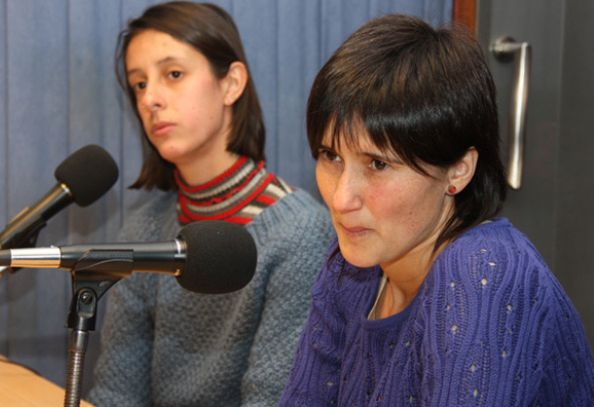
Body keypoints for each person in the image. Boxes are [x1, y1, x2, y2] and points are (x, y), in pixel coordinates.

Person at [279, 14, 594, 406]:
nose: (342, 199)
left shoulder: (483, 272)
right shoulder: (349, 268)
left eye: (378, 164)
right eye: (330, 156)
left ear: (458, 170)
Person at [87, 2, 334, 406]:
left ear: (231, 83)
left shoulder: (299, 233)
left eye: (173, 74)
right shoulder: (144, 230)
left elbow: (271, 399)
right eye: (139, 84)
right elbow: (117, 393)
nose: (150, 99)